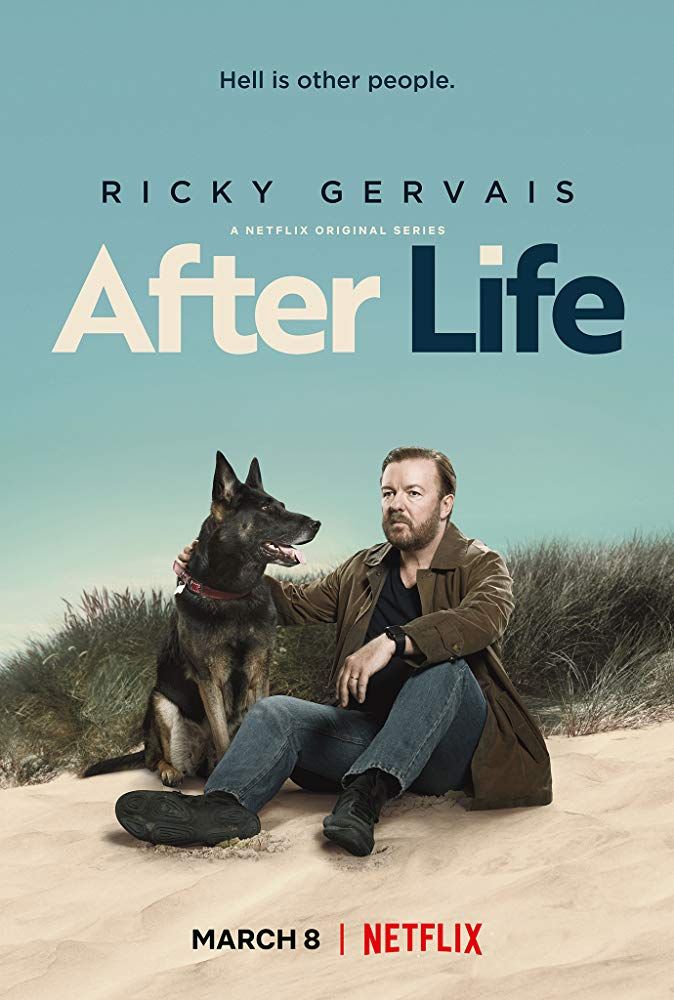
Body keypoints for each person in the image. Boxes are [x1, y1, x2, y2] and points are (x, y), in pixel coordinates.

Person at [115, 446, 552, 857]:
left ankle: (362, 800)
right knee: (275, 712)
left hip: (447, 750)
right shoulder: (364, 567)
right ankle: (223, 807)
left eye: (413, 493)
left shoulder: (481, 563)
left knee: (446, 670)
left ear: (445, 504)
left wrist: (394, 640)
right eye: (388, 493)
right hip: (368, 736)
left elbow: (483, 617)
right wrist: (210, 568)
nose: (396, 503)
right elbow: (292, 603)